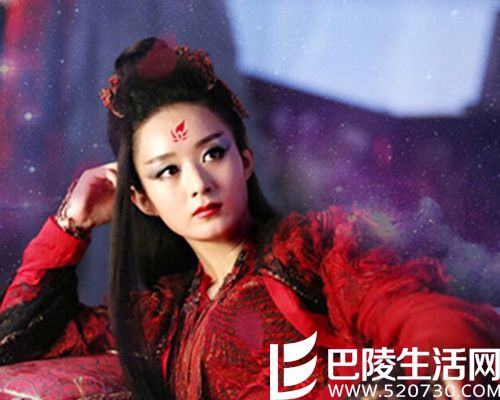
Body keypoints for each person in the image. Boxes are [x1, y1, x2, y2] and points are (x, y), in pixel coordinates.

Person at [0, 37, 499, 400]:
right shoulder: (163, 317)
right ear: (142, 199)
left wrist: (444, 365)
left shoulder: (307, 250)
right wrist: (71, 224)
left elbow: (403, 308)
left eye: (212, 154)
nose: (198, 183)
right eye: (168, 171)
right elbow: (15, 344)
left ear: (245, 160)